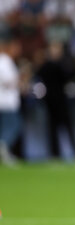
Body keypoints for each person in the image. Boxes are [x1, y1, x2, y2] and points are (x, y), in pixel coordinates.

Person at [0, 38, 22, 166]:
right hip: (7, 102)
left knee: (6, 127)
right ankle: (3, 144)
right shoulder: (5, 61)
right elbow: (7, 81)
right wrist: (19, 81)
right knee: (13, 125)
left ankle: (4, 148)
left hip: (5, 101)